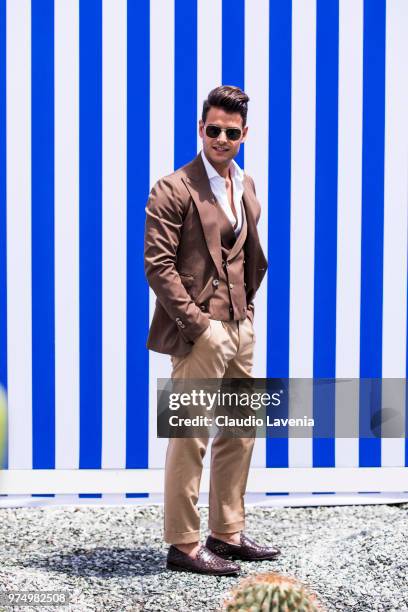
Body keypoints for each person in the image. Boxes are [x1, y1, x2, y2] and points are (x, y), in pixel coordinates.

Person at [144, 85, 281, 575]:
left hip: (241, 325)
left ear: (245, 134)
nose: (220, 138)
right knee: (189, 435)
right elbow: (158, 267)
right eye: (212, 129)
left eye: (230, 131)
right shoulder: (173, 187)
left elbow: (246, 254)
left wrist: (244, 316)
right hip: (201, 332)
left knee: (241, 432)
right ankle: (182, 544)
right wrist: (201, 327)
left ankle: (226, 533)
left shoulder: (245, 185)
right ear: (200, 128)